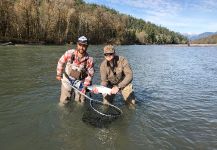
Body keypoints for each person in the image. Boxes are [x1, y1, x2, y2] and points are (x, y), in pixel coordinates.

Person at [56, 36, 94, 105]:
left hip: (81, 82)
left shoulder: (90, 60)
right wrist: (59, 74)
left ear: (87, 46)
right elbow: (60, 62)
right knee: (63, 102)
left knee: (80, 102)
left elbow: (90, 74)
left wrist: (85, 85)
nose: (81, 48)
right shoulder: (69, 53)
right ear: (77, 44)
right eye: (80, 45)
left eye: (84, 46)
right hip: (67, 79)